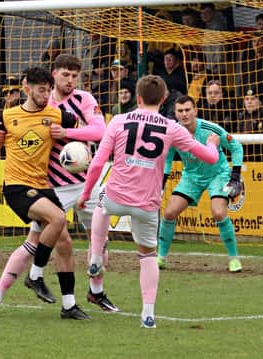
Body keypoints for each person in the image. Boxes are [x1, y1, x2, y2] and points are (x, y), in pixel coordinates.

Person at [78, 75, 220, 329]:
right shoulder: (172, 127)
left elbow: (98, 162)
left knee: (101, 204)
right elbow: (209, 158)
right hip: (147, 204)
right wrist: (211, 142)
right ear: (164, 99)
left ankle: (96, 256)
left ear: (138, 97)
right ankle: (148, 315)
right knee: (147, 256)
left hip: (116, 196)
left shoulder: (119, 121)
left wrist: (85, 193)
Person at [0, 55, 111, 320]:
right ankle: (19, 285)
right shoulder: (16, 113)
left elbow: (97, 132)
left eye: (74, 76)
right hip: (42, 186)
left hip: (75, 183)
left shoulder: (69, 107)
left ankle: (78, 299)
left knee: (89, 243)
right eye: (64, 75)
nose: (69, 81)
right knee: (46, 233)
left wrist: (68, 134)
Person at [158, 95, 243, 272]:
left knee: (219, 213)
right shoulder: (173, 133)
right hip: (191, 176)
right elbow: (167, 158)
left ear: (195, 111)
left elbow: (236, 147)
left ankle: (234, 259)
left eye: (188, 110)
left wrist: (235, 175)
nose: (184, 114)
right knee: (169, 212)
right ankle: (161, 258)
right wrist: (162, 182)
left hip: (218, 174)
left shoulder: (210, 129)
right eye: (180, 111)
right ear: (175, 113)